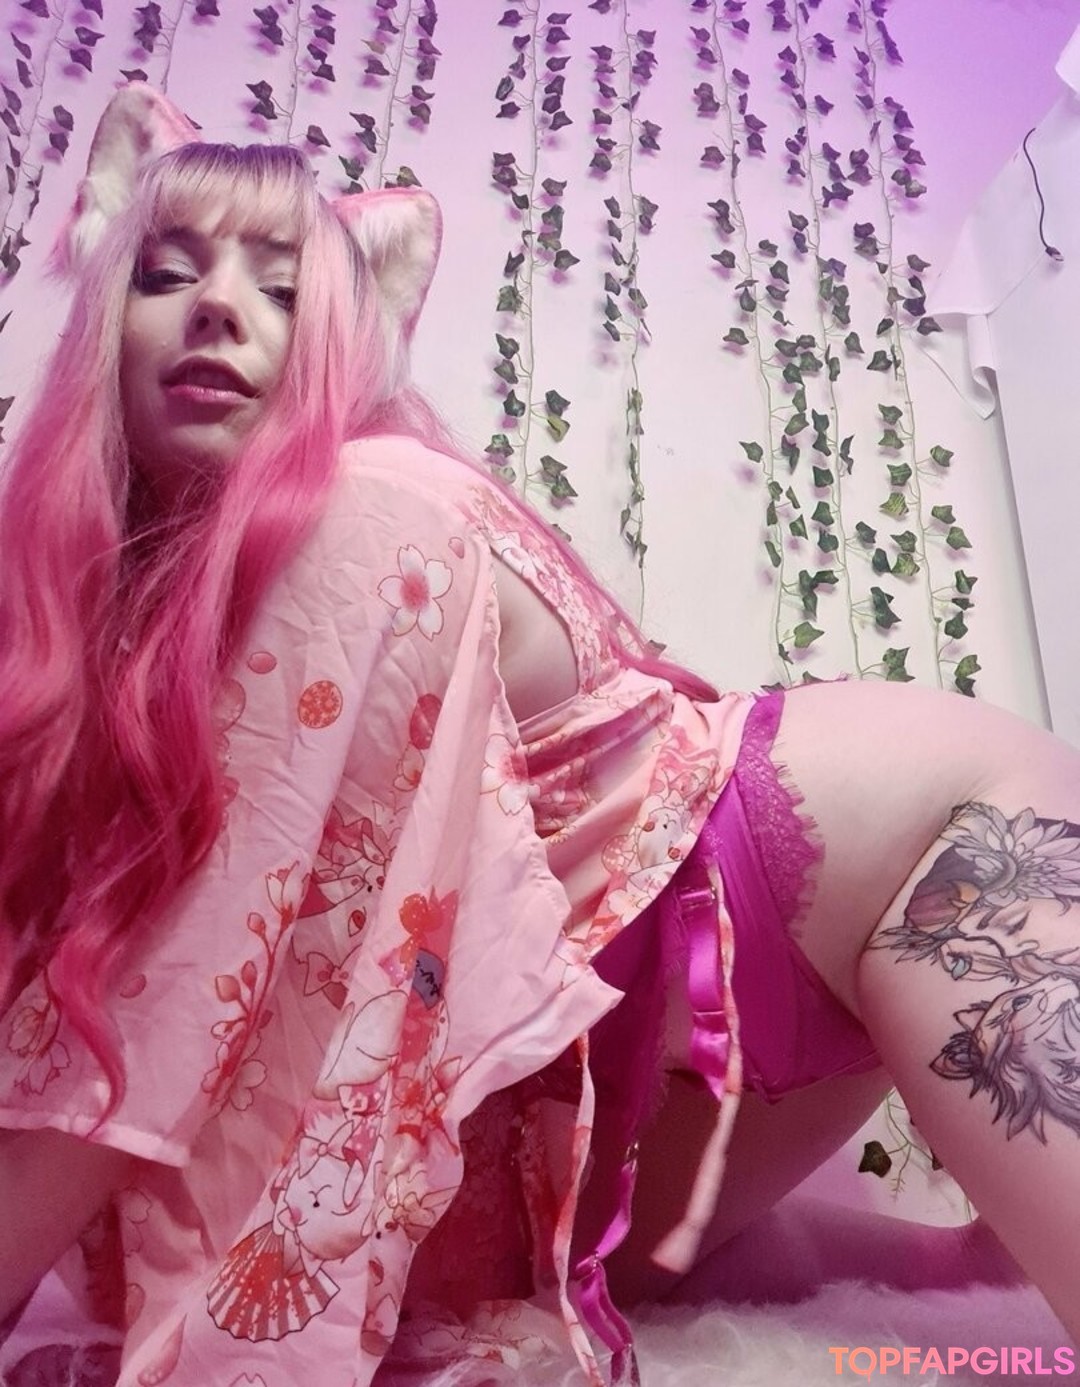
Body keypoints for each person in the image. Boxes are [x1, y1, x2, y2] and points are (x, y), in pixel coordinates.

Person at [0, 83, 1077, 1386]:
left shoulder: (369, 507)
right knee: (877, 1297)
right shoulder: (164, 619)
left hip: (915, 854)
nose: (219, 307)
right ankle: (962, 1264)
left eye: (283, 289)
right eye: (166, 274)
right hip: (659, 1061)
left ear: (345, 340)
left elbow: (180, 988)